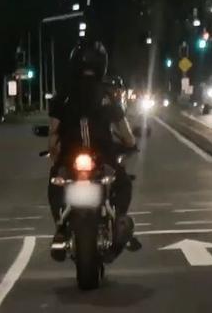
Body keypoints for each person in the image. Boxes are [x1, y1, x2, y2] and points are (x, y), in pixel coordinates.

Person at [47, 39, 137, 261]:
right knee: (123, 182)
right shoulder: (108, 94)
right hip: (103, 154)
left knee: (55, 185)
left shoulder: (64, 94)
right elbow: (124, 130)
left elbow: (53, 133)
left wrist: (55, 156)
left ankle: (60, 228)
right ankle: (118, 221)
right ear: (102, 65)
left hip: (70, 156)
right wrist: (131, 144)